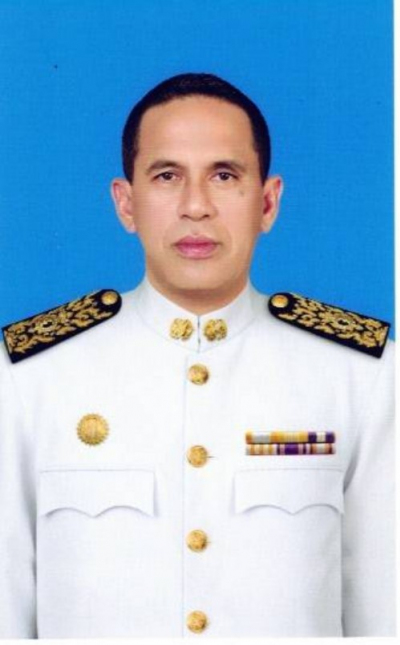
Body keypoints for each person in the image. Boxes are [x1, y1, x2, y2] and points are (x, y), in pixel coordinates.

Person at [0, 73, 395, 638]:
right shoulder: (29, 376)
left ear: (267, 202)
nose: (195, 206)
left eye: (224, 176)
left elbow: (386, 615)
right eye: (167, 176)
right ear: (126, 203)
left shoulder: (362, 375)